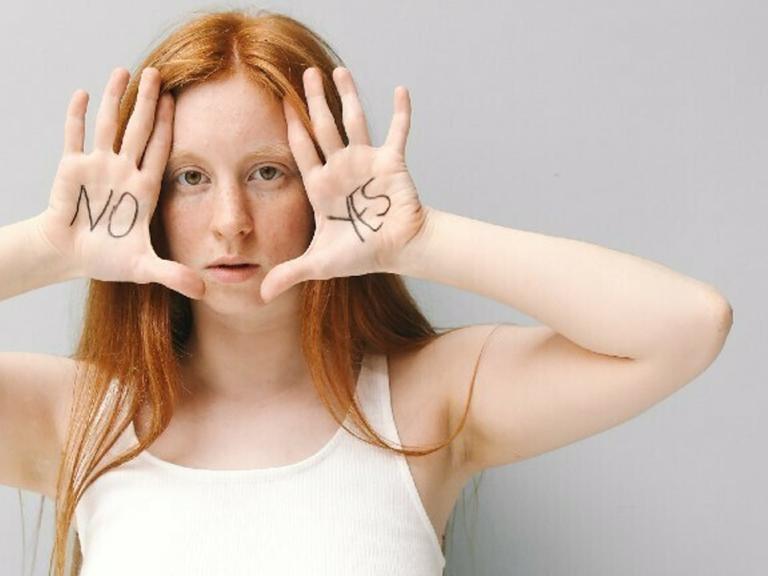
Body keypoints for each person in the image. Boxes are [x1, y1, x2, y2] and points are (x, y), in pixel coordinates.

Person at [0, 8, 733, 576]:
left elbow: (688, 326)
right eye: (190, 179)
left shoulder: (423, 402)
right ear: (152, 200)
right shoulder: (78, 419)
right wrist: (48, 249)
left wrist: (420, 240)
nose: (230, 223)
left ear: (320, 182)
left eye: (267, 173)